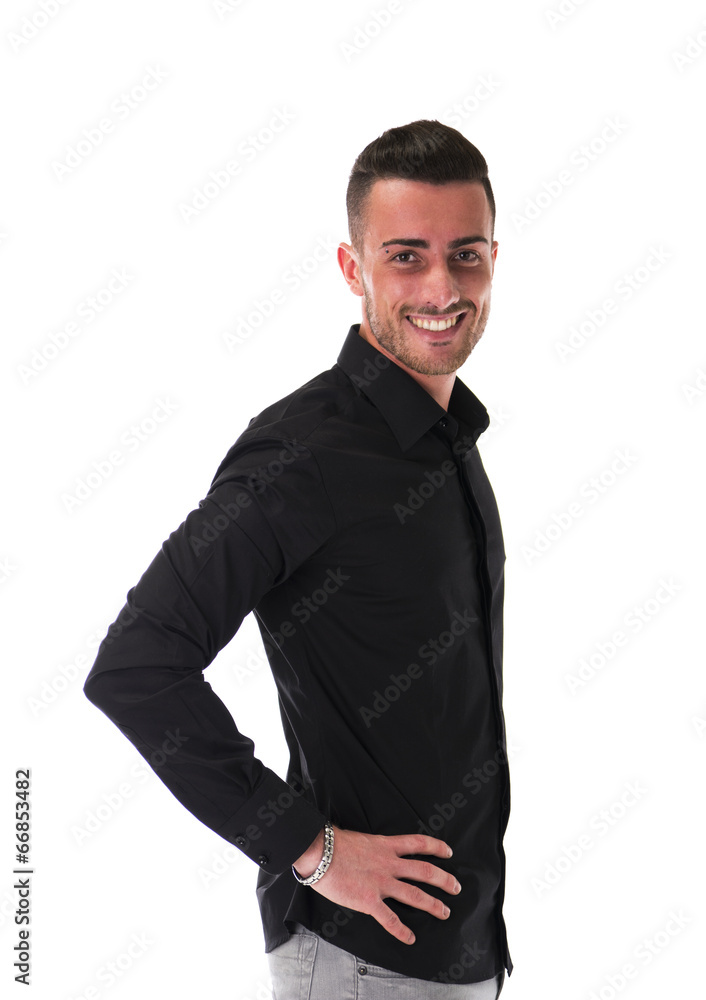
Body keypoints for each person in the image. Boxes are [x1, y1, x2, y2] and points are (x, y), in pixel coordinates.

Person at [83, 119, 513, 999]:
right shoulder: (303, 455)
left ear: (494, 261)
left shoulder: (446, 437)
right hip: (362, 962)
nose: (442, 285)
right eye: (406, 256)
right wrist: (310, 850)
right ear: (354, 270)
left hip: (456, 953)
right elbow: (136, 665)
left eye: (464, 255)